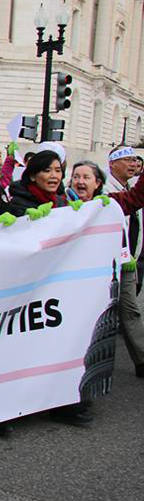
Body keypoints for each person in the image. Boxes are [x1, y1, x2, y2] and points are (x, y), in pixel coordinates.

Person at [102, 146, 144, 379]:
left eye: (134, 159)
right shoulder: (105, 189)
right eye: (126, 159)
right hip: (111, 262)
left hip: (130, 260)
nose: (132, 163)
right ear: (112, 164)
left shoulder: (129, 189)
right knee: (129, 311)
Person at [7, 150, 67, 217]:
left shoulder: (60, 203)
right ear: (32, 176)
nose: (54, 175)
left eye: (58, 170)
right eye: (47, 171)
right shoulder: (18, 204)